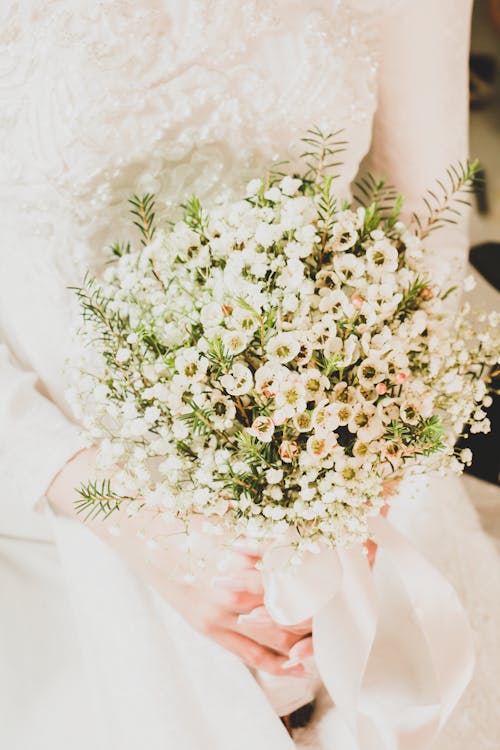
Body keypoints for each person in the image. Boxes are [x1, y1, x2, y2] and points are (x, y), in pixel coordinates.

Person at [1, 1, 499, 748]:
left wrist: (341, 489)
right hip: (58, 511)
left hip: (346, 478)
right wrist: (138, 523)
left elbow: (423, 226)